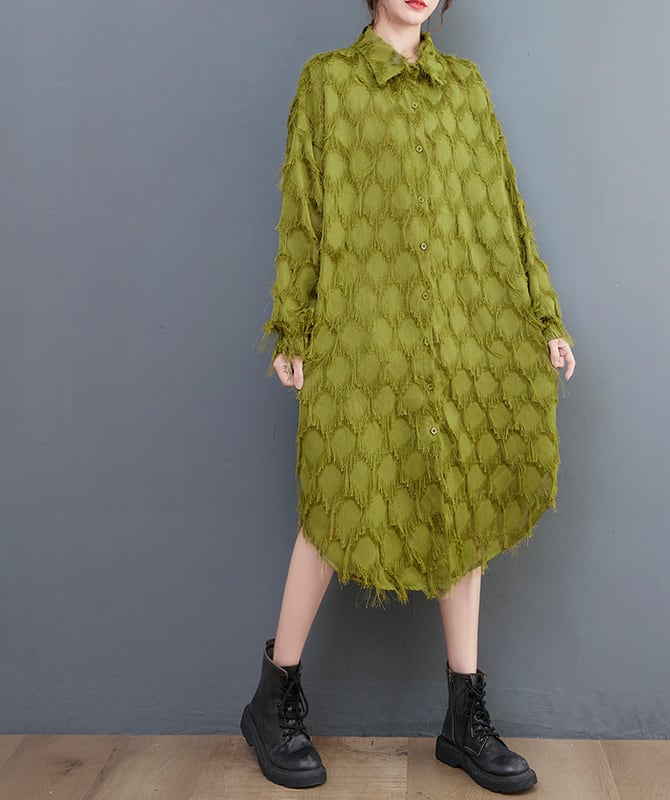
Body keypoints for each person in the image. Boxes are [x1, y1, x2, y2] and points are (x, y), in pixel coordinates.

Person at [240, 0, 576, 793]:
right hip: (363, 333)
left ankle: (464, 717)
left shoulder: (466, 88)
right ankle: (272, 701)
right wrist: (293, 327)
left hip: (461, 332)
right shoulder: (328, 82)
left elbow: (503, 209)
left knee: (464, 501)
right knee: (337, 505)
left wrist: (542, 316)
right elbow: (304, 210)